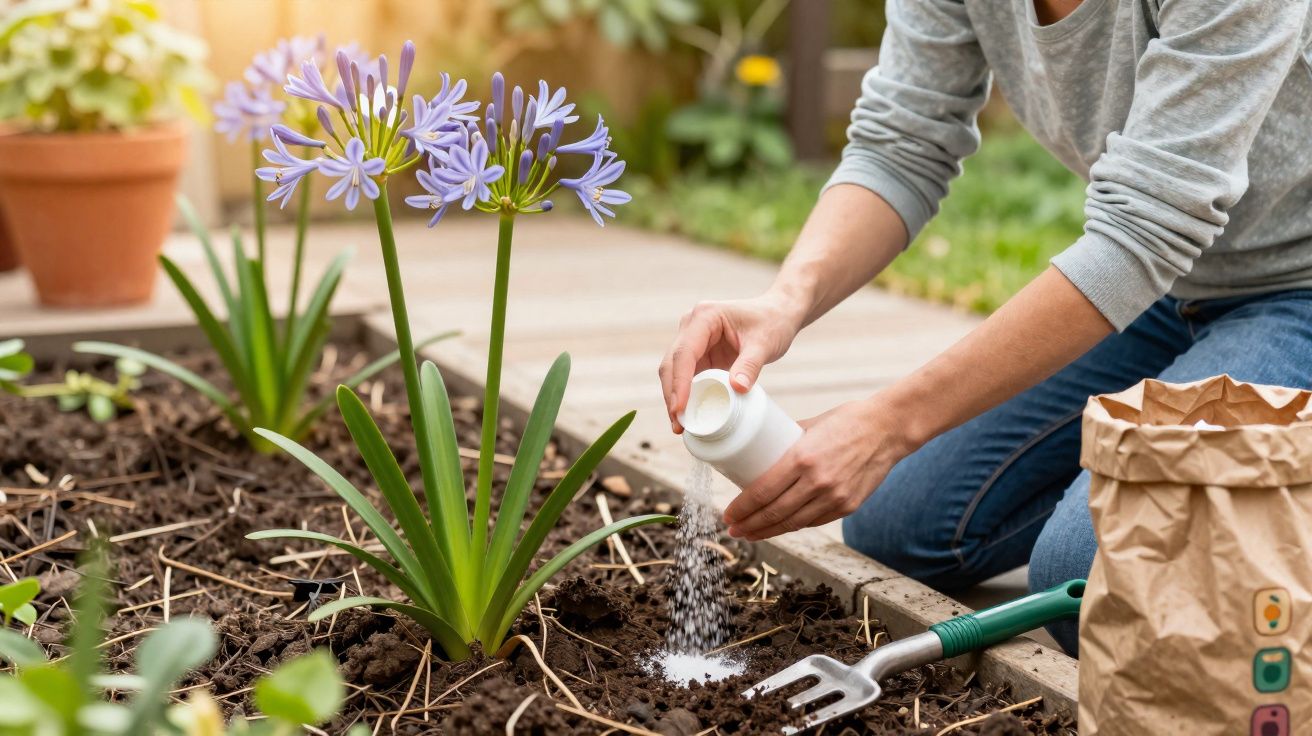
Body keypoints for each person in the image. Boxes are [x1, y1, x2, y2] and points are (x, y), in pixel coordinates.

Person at [658, 0, 1312, 655]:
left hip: (1296, 286)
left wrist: (893, 422)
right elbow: (902, 142)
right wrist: (784, 301)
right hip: (1171, 288)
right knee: (900, 523)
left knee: (1092, 584)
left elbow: (1146, 225)